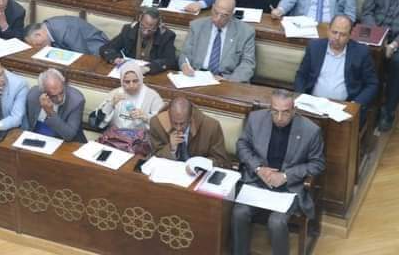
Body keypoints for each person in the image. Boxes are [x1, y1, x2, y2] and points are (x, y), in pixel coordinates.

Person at [232, 90, 325, 255]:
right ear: (270, 108)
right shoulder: (255, 119)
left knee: (276, 222)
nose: (280, 118)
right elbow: (242, 146)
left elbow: (317, 164)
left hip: (289, 188)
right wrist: (258, 169)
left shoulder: (311, 131)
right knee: (239, 213)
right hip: (258, 181)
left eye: (285, 112)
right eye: (275, 112)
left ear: (294, 110)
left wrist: (286, 176)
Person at [294, 15, 378, 121]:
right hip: (313, 105)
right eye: (334, 32)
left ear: (350, 35)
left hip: (344, 109)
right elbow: (301, 75)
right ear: (328, 30)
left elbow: (372, 84)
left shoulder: (361, 53)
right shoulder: (315, 47)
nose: (337, 37)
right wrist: (302, 98)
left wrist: (355, 104)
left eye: (342, 34)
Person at [362, 0, 399, 131]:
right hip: (374, 31)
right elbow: (367, 11)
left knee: (397, 63)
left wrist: (394, 44)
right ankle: (364, 106)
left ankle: (388, 111)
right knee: (361, 53)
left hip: (397, 38)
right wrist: (377, 38)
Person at [180, 0, 256, 82]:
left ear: (232, 14)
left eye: (224, 15)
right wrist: (184, 65)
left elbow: (247, 64)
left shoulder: (246, 32)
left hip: (226, 80)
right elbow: (185, 54)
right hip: (197, 77)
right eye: (216, 13)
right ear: (212, 8)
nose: (217, 19)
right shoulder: (197, 26)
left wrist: (229, 81)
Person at [149, 96, 230, 167]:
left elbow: (221, 160)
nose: (178, 128)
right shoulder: (157, 123)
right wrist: (171, 148)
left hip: (199, 174)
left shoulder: (211, 126)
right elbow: (154, 156)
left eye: (182, 123)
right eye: (174, 123)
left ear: (190, 118)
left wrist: (200, 164)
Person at [100, 8, 178, 75]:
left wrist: (148, 68)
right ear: (140, 20)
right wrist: (115, 58)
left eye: (151, 30)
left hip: (152, 74)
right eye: (143, 27)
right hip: (130, 72)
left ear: (158, 26)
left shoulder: (166, 36)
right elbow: (106, 48)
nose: (145, 32)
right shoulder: (129, 30)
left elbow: (170, 60)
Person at [94, 61, 165, 130]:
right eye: (127, 82)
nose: (131, 85)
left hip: (141, 136)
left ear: (141, 79)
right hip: (115, 135)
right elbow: (98, 121)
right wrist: (111, 105)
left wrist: (146, 117)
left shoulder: (152, 96)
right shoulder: (115, 93)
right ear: (122, 81)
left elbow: (162, 124)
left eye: (135, 81)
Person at [23, 68, 87, 143]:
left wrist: (50, 112)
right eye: (53, 96)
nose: (59, 99)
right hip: (36, 140)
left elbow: (69, 135)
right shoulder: (33, 95)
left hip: (65, 143)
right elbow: (27, 125)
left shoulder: (76, 100)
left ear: (64, 84)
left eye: (61, 92)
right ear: (43, 92)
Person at [24, 16, 108, 56]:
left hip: (96, 51)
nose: (38, 48)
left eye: (37, 45)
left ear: (38, 34)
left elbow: (83, 56)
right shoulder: (47, 27)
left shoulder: (64, 30)